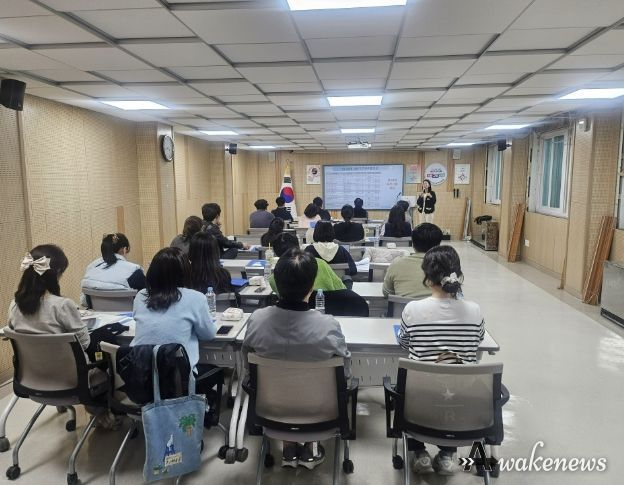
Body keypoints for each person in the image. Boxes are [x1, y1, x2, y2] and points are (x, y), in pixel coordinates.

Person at [243, 248, 349, 469]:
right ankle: (310, 446)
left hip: (269, 410)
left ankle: (289, 446)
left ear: (276, 283)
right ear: (312, 286)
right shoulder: (328, 326)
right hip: (320, 412)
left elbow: (247, 363)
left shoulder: (257, 320)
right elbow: (344, 371)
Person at [398, 245, 484, 476]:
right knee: (454, 383)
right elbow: (478, 340)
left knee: (407, 386)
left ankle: (419, 453)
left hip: (419, 399)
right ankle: (447, 455)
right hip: (463, 401)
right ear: (458, 274)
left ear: (427, 277)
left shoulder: (412, 309)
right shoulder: (474, 310)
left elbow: (404, 343)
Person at [132, 247, 217, 373]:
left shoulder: (141, 296)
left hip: (140, 374)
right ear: (185, 271)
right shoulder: (196, 298)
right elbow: (208, 335)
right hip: (178, 376)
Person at [9, 244, 89, 350]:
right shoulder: (62, 305)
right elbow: (84, 343)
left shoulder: (15, 304)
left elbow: (12, 330)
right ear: (58, 272)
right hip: (64, 360)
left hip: (30, 361)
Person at [81, 233, 146, 307]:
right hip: (129, 313)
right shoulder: (134, 270)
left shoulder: (91, 268)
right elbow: (147, 299)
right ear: (124, 249)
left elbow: (84, 302)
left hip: (97, 313)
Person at [268, 233, 345, 294]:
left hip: (294, 309)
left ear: (275, 253)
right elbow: (341, 288)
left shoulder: (275, 277)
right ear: (298, 246)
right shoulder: (320, 263)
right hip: (326, 305)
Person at [383, 223, 443, 298]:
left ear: (413, 244)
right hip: (435, 305)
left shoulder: (397, 263)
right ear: (438, 246)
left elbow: (386, 292)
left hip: (403, 305)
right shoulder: (445, 265)